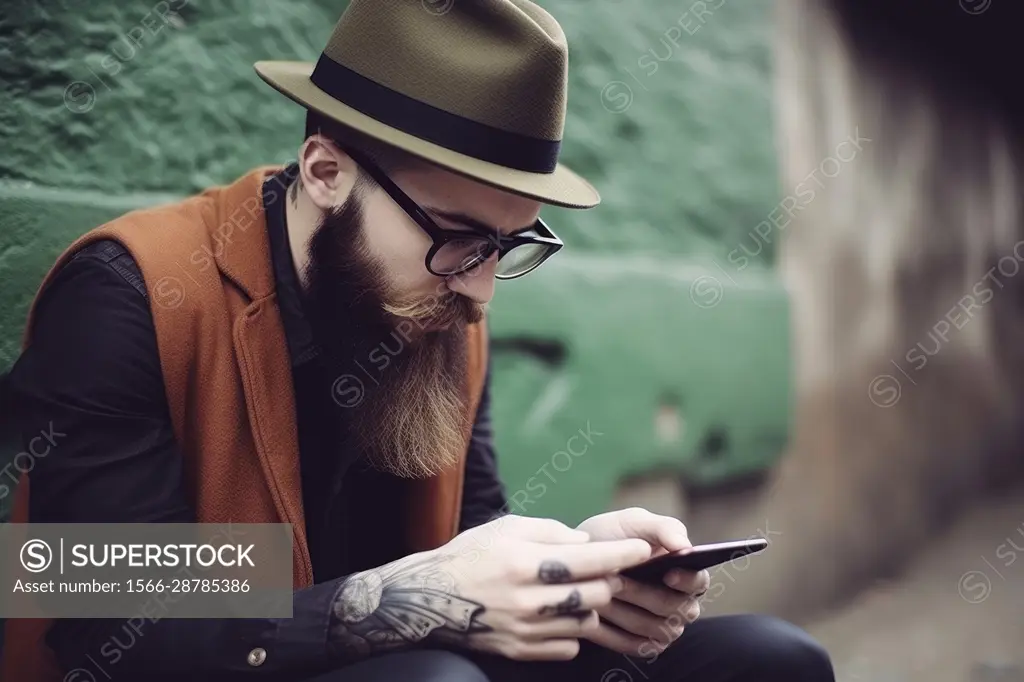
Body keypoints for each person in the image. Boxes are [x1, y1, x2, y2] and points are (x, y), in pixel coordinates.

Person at [1, 1, 834, 681]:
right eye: (459, 235)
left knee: (770, 660)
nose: (477, 288)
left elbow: (469, 533)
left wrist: (573, 574)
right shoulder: (130, 291)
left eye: (506, 245)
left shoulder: (441, 302)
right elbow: (101, 618)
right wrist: (399, 595)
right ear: (326, 173)